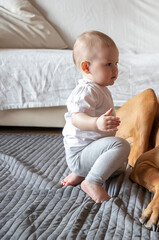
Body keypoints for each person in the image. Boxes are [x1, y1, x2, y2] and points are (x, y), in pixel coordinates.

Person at [61, 30, 130, 203]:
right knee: (121, 145)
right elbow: (76, 118)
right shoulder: (86, 90)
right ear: (86, 67)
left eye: (116, 63)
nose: (115, 69)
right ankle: (91, 182)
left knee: (119, 167)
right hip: (80, 155)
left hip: (89, 153)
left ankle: (81, 173)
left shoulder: (100, 87)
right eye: (108, 64)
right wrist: (96, 123)